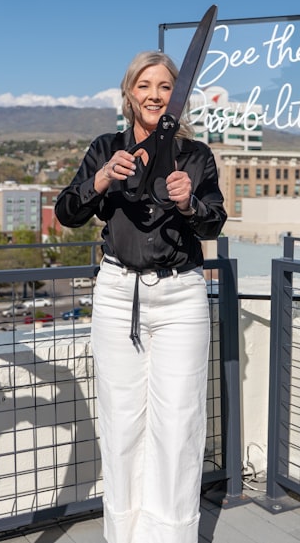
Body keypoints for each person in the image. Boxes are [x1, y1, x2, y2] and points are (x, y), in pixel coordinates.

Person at [55, 50, 226, 543]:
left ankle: (170, 536)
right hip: (116, 294)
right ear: (129, 93)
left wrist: (188, 202)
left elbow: (214, 220)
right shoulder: (107, 147)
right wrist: (102, 179)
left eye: (165, 86)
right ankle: (124, 534)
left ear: (178, 95)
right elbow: (67, 211)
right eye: (144, 86)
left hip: (181, 297)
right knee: (122, 419)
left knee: (179, 422)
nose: (154, 95)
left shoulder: (196, 156)